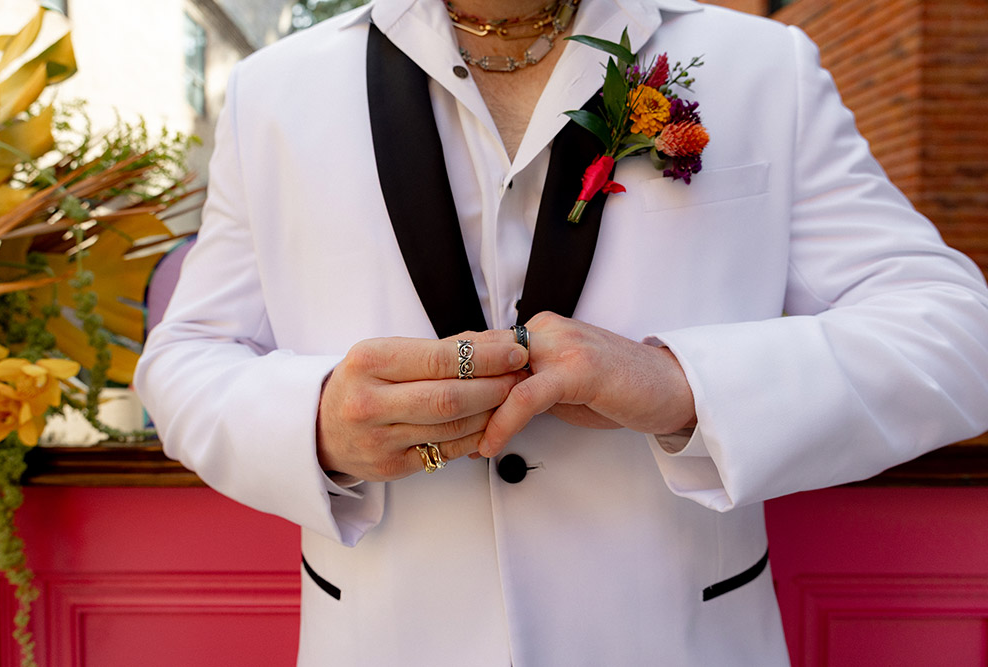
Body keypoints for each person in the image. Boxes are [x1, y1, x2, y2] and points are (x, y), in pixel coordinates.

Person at [134, 0, 988, 663]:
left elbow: (955, 332)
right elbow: (186, 356)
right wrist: (313, 421)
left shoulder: (766, 69)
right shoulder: (271, 93)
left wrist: (686, 384)